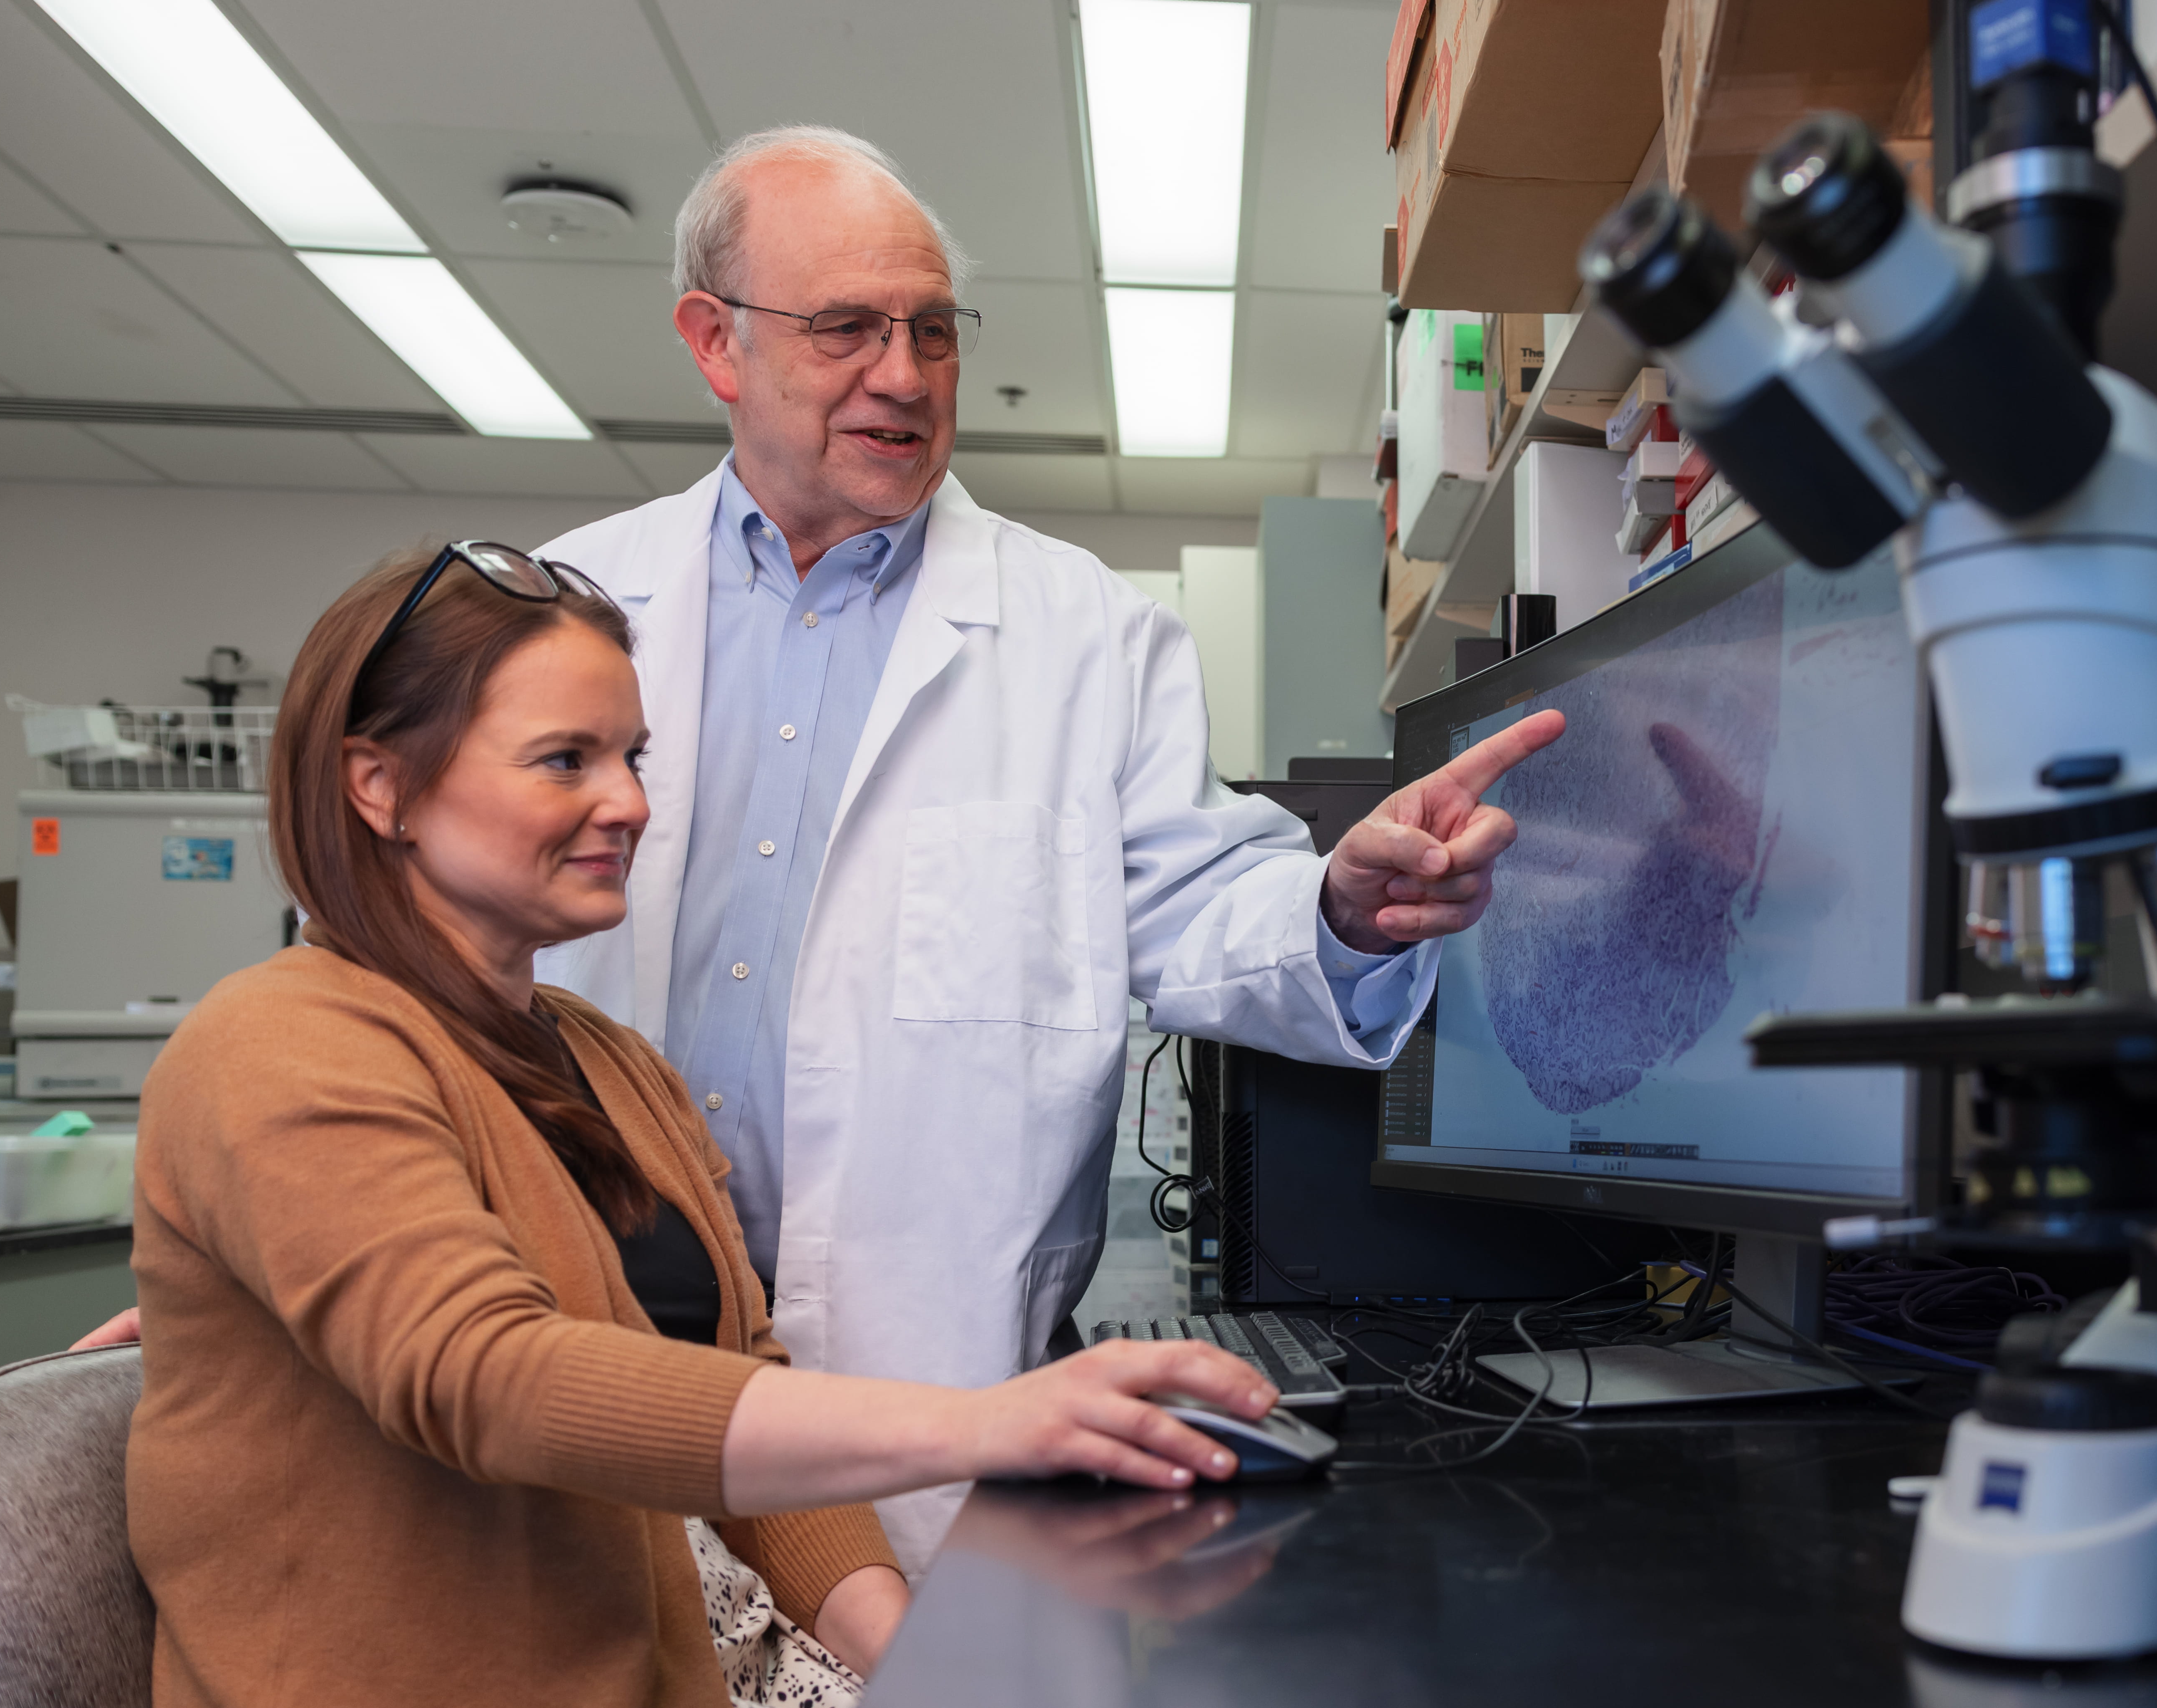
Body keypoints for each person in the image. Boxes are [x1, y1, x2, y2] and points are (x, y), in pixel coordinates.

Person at [123, 541, 1287, 1708]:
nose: (626, 803)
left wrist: (906, 1684)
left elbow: (748, 1396)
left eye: (632, 757)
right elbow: (489, 1378)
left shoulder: (607, 1065)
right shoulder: (277, 1045)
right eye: (565, 761)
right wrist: (978, 1428)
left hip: (684, 1704)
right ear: (380, 786)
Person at [532, 127, 1561, 1565]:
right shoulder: (566, 607)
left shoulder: (1086, 633)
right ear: (716, 342)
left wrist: (1336, 906)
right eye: (845, 329)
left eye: (932, 331)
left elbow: (1194, 903)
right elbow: (414, 964)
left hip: (927, 1368)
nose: (902, 374)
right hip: (593, 1329)